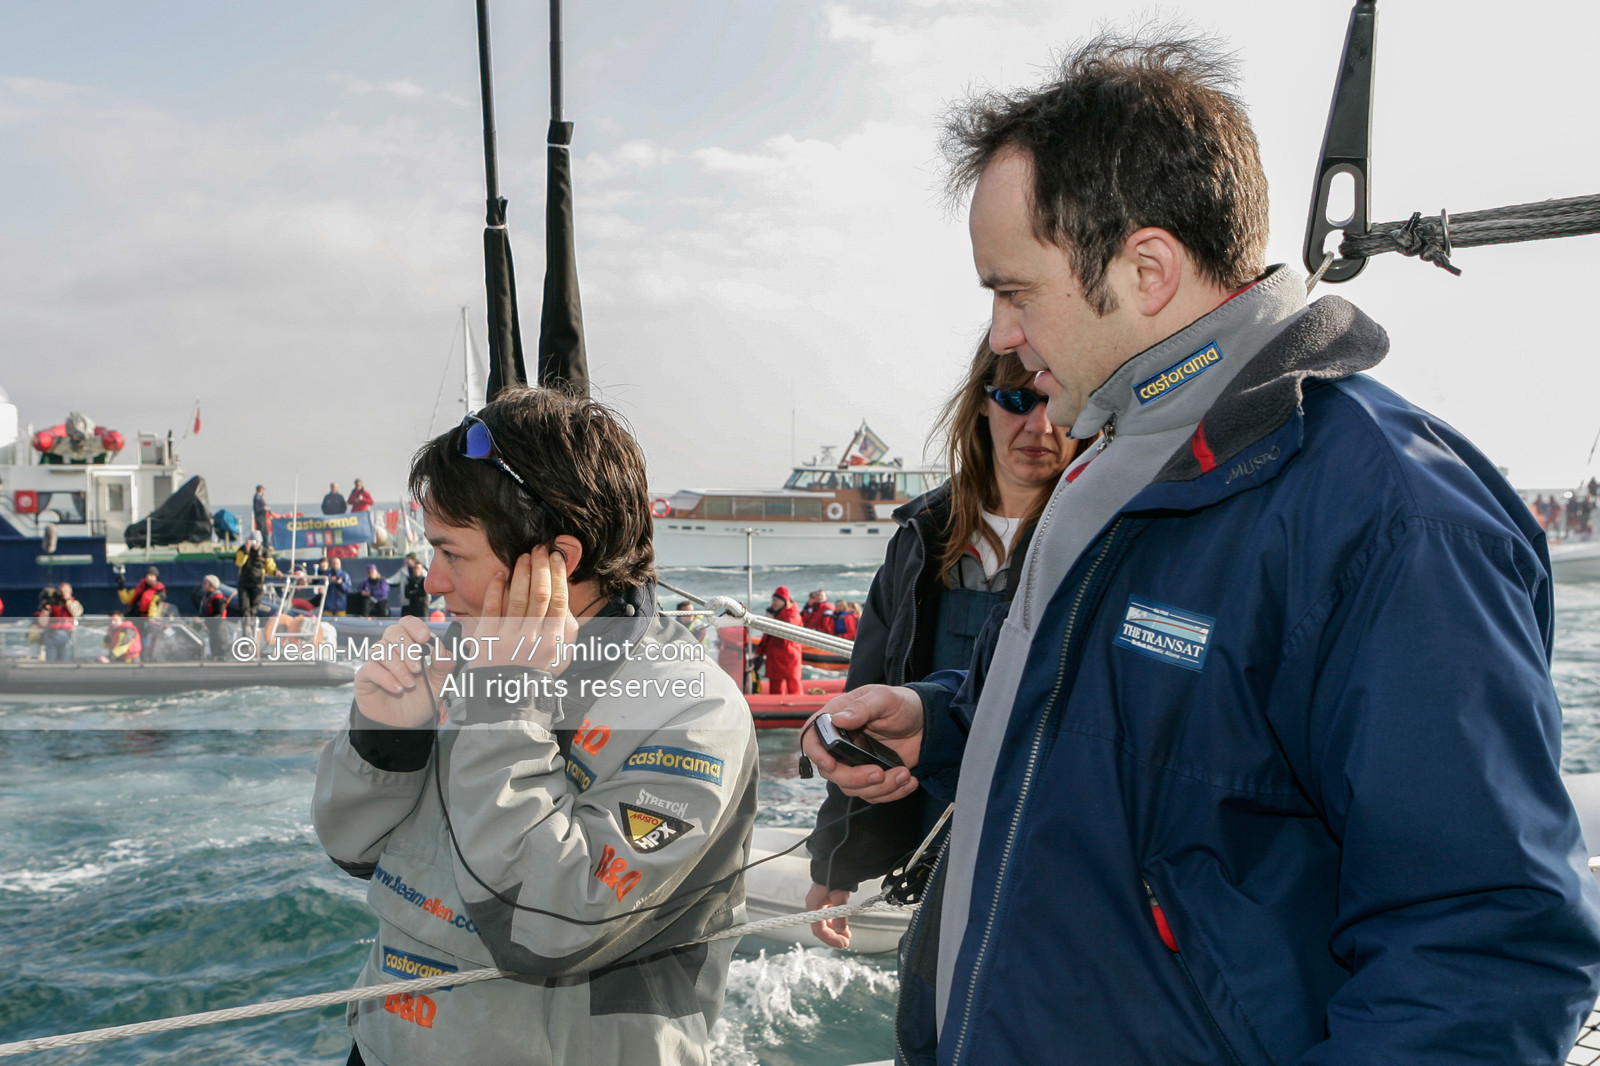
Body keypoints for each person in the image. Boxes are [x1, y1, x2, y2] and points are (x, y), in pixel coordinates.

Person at [806, 32, 1600, 1064]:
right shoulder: (1110, 460)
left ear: (1146, 270)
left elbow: (1483, 956)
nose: (1000, 335)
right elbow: (1139, 721)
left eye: (1015, 291)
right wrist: (947, 720)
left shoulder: (1393, 519)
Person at [313, 387, 756, 1066]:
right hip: (384, 1048)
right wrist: (386, 741)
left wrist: (505, 704)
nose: (432, 582)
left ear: (555, 560)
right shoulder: (468, 659)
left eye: (452, 554)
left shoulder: (693, 711)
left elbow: (550, 927)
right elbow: (352, 847)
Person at [805, 338, 1079, 948]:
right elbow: (865, 696)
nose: (1039, 425)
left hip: (1046, 857)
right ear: (980, 403)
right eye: (1017, 400)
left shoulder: (1106, 536)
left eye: (1058, 399)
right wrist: (837, 859)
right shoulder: (920, 537)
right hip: (931, 844)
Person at [756, 585, 802, 694]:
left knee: (793, 685)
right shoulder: (775, 613)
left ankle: (797, 704)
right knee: (775, 687)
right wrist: (760, 651)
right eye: (773, 600)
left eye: (776, 600)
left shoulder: (792, 615)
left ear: (784, 601)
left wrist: (772, 621)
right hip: (774, 655)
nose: (774, 603)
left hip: (789, 655)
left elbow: (786, 634)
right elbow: (767, 635)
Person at [234, 534, 276, 633]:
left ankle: (252, 628)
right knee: (244, 608)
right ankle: (245, 629)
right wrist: (246, 550)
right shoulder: (242, 550)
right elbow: (239, 562)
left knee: (254, 608)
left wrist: (276, 572)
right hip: (244, 584)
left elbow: (270, 567)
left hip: (257, 584)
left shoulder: (264, 552)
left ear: (259, 542)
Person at [37, 582, 83, 662]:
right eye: (61, 591)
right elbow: (43, 622)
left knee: (66, 658)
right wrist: (46, 608)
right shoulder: (52, 603)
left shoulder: (74, 603)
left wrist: (67, 601)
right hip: (51, 633)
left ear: (70, 592)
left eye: (66, 591)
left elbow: (76, 613)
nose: (63, 593)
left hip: (67, 633)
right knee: (51, 658)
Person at [115, 566, 165, 638]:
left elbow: (154, 606)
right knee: (127, 637)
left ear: (156, 578)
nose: (149, 578)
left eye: (152, 576)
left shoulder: (159, 593)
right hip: (133, 618)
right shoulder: (139, 588)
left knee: (143, 639)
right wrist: (121, 586)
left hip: (145, 622)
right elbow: (126, 599)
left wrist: (152, 619)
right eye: (147, 576)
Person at [196, 575, 230, 660]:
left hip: (218, 625)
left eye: (205, 583)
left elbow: (219, 613)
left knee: (219, 642)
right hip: (211, 626)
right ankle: (214, 656)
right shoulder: (207, 596)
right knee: (213, 643)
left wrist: (204, 620)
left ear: (211, 585)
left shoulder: (218, 598)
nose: (202, 585)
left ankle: (222, 657)